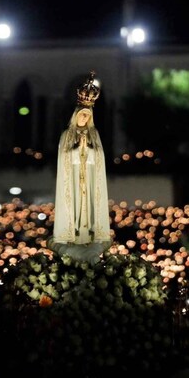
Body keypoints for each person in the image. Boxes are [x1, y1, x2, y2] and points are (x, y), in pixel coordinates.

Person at [48, 71, 111, 263]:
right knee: (75, 204)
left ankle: (89, 230)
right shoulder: (68, 134)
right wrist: (77, 150)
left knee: (88, 205)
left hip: (89, 177)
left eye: (86, 116)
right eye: (81, 116)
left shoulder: (94, 134)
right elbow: (64, 157)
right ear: (76, 116)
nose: (83, 119)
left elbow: (99, 156)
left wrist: (89, 151)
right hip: (74, 177)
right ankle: (73, 231)